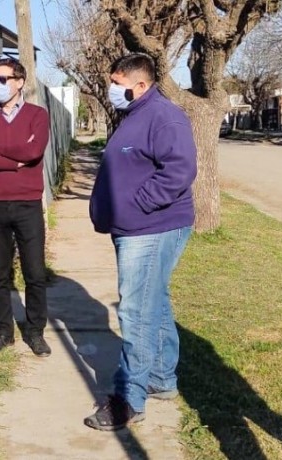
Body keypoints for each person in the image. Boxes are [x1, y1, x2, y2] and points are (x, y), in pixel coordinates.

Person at [84, 53, 197, 431]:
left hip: (152, 227)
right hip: (133, 228)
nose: (112, 90)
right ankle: (161, 378)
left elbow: (180, 169)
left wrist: (138, 206)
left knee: (135, 311)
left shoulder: (164, 116)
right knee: (154, 300)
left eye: (118, 83)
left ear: (141, 85)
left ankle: (129, 399)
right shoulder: (134, 116)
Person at [0, 57, 52, 357]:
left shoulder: (37, 116)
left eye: (3, 79)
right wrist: (14, 159)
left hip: (28, 203)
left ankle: (35, 331)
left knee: (35, 272)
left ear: (19, 82)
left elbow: (33, 151)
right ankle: (3, 332)